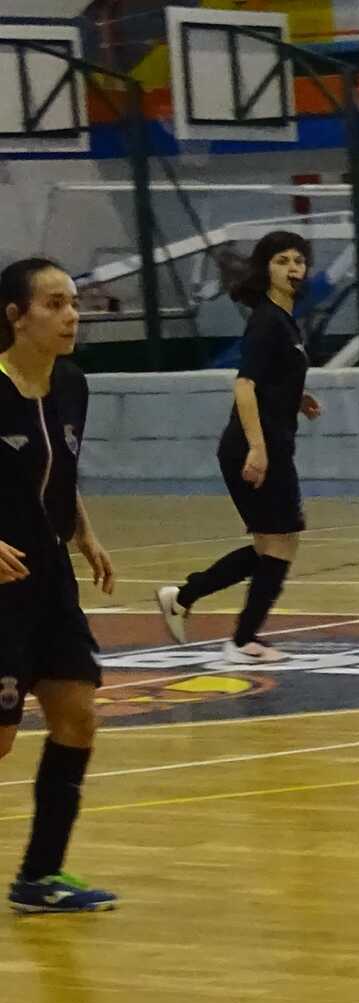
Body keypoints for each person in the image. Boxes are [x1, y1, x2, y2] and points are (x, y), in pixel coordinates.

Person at [0, 257, 120, 914]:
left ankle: (39, 877)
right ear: (16, 316)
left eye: (73, 302)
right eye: (54, 304)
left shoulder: (72, 384)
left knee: (76, 713)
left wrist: (84, 533)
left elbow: (60, 472)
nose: (71, 316)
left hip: (49, 577)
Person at [156, 231, 321, 663]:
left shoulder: (285, 320)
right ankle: (243, 640)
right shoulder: (267, 320)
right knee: (280, 544)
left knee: (274, 544)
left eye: (299, 260)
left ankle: (185, 597)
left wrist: (296, 397)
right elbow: (244, 385)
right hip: (257, 447)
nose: (293, 268)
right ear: (265, 268)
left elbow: (270, 378)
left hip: (273, 442)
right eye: (282, 260)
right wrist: (257, 448)